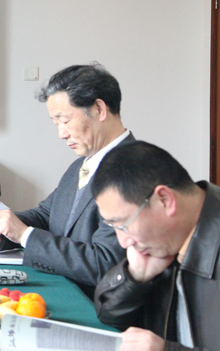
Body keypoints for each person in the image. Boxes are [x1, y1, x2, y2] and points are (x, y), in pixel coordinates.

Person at [0, 63, 127, 295]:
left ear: (99, 109)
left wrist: (25, 235)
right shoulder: (81, 164)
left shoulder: (133, 170)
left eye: (65, 120)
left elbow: (104, 262)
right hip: (62, 286)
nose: (61, 134)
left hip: (92, 303)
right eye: (56, 123)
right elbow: (46, 216)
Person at [93, 141, 219, 351]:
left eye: (123, 225)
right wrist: (135, 277)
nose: (123, 242)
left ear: (165, 200)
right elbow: (108, 314)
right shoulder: (164, 244)